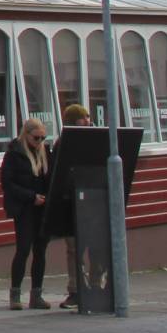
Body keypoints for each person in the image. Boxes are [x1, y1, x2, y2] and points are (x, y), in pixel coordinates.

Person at [1, 117, 53, 310]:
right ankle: (15, 294)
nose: (39, 142)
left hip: (42, 208)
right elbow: (7, 183)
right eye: (36, 138)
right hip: (24, 208)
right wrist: (31, 197)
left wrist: (47, 197)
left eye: (43, 138)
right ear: (26, 135)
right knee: (23, 249)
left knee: (40, 250)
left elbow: (51, 177)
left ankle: (36, 294)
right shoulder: (14, 154)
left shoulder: (45, 152)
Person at [59, 102, 93, 308]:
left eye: (88, 117)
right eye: (83, 117)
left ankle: (97, 284)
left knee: (96, 247)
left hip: (93, 202)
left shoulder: (97, 140)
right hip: (71, 203)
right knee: (73, 249)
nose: (87, 120)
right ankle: (76, 289)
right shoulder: (63, 143)